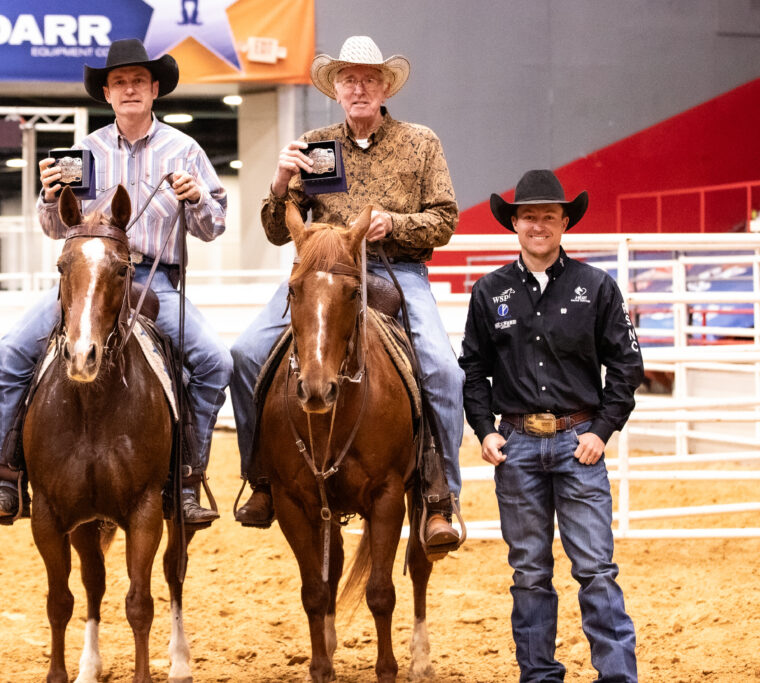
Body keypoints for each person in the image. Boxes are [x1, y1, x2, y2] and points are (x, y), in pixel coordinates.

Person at [0, 38, 230, 525]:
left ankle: (187, 478)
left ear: (155, 89)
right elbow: (55, 229)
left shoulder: (186, 150)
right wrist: (51, 198)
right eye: (119, 83)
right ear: (107, 95)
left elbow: (213, 226)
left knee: (214, 362)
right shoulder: (83, 152)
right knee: (9, 355)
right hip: (86, 279)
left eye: (138, 81)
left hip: (156, 283)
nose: (129, 89)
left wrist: (198, 197)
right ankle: (7, 475)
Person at [230, 35, 464, 546]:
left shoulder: (421, 142)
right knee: (245, 353)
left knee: (444, 371)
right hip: (322, 272)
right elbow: (276, 230)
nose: (358, 88)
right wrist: (279, 180)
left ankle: (438, 496)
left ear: (384, 88)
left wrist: (393, 223)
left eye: (368, 79)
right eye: (349, 79)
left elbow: (444, 221)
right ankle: (262, 478)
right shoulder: (314, 147)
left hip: (397, 269)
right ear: (336, 89)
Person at [459, 169, 643, 682]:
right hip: (516, 445)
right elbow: (473, 366)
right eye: (528, 216)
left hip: (578, 442)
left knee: (595, 570)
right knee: (530, 574)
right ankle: (538, 676)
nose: (538, 225)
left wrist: (601, 430)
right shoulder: (489, 291)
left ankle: (617, 677)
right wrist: (484, 428)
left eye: (548, 216)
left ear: (564, 223)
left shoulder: (597, 287)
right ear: (513, 223)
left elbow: (627, 364)